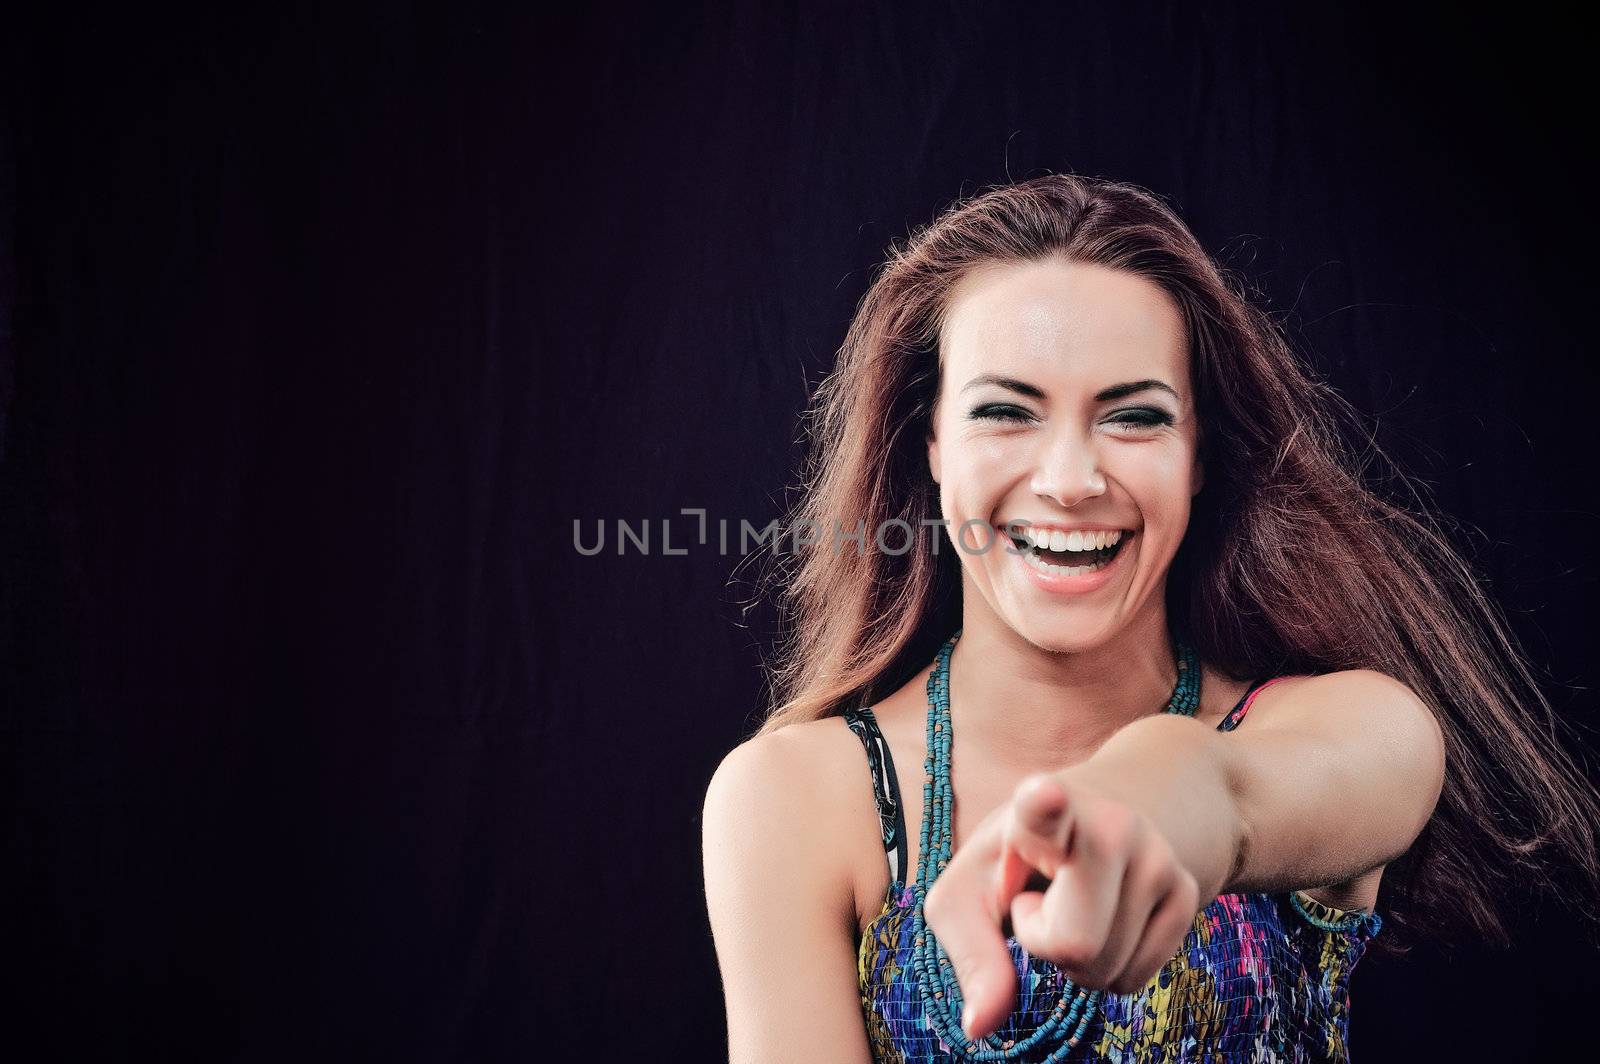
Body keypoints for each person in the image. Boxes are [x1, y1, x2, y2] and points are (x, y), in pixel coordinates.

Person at [700, 174, 1600, 1062]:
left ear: (1200, 454)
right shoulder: (792, 799)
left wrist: (1168, 787)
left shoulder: (1349, 725)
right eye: (1005, 411)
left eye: (1133, 417)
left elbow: (1271, 787)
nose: (1069, 479)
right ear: (929, 442)